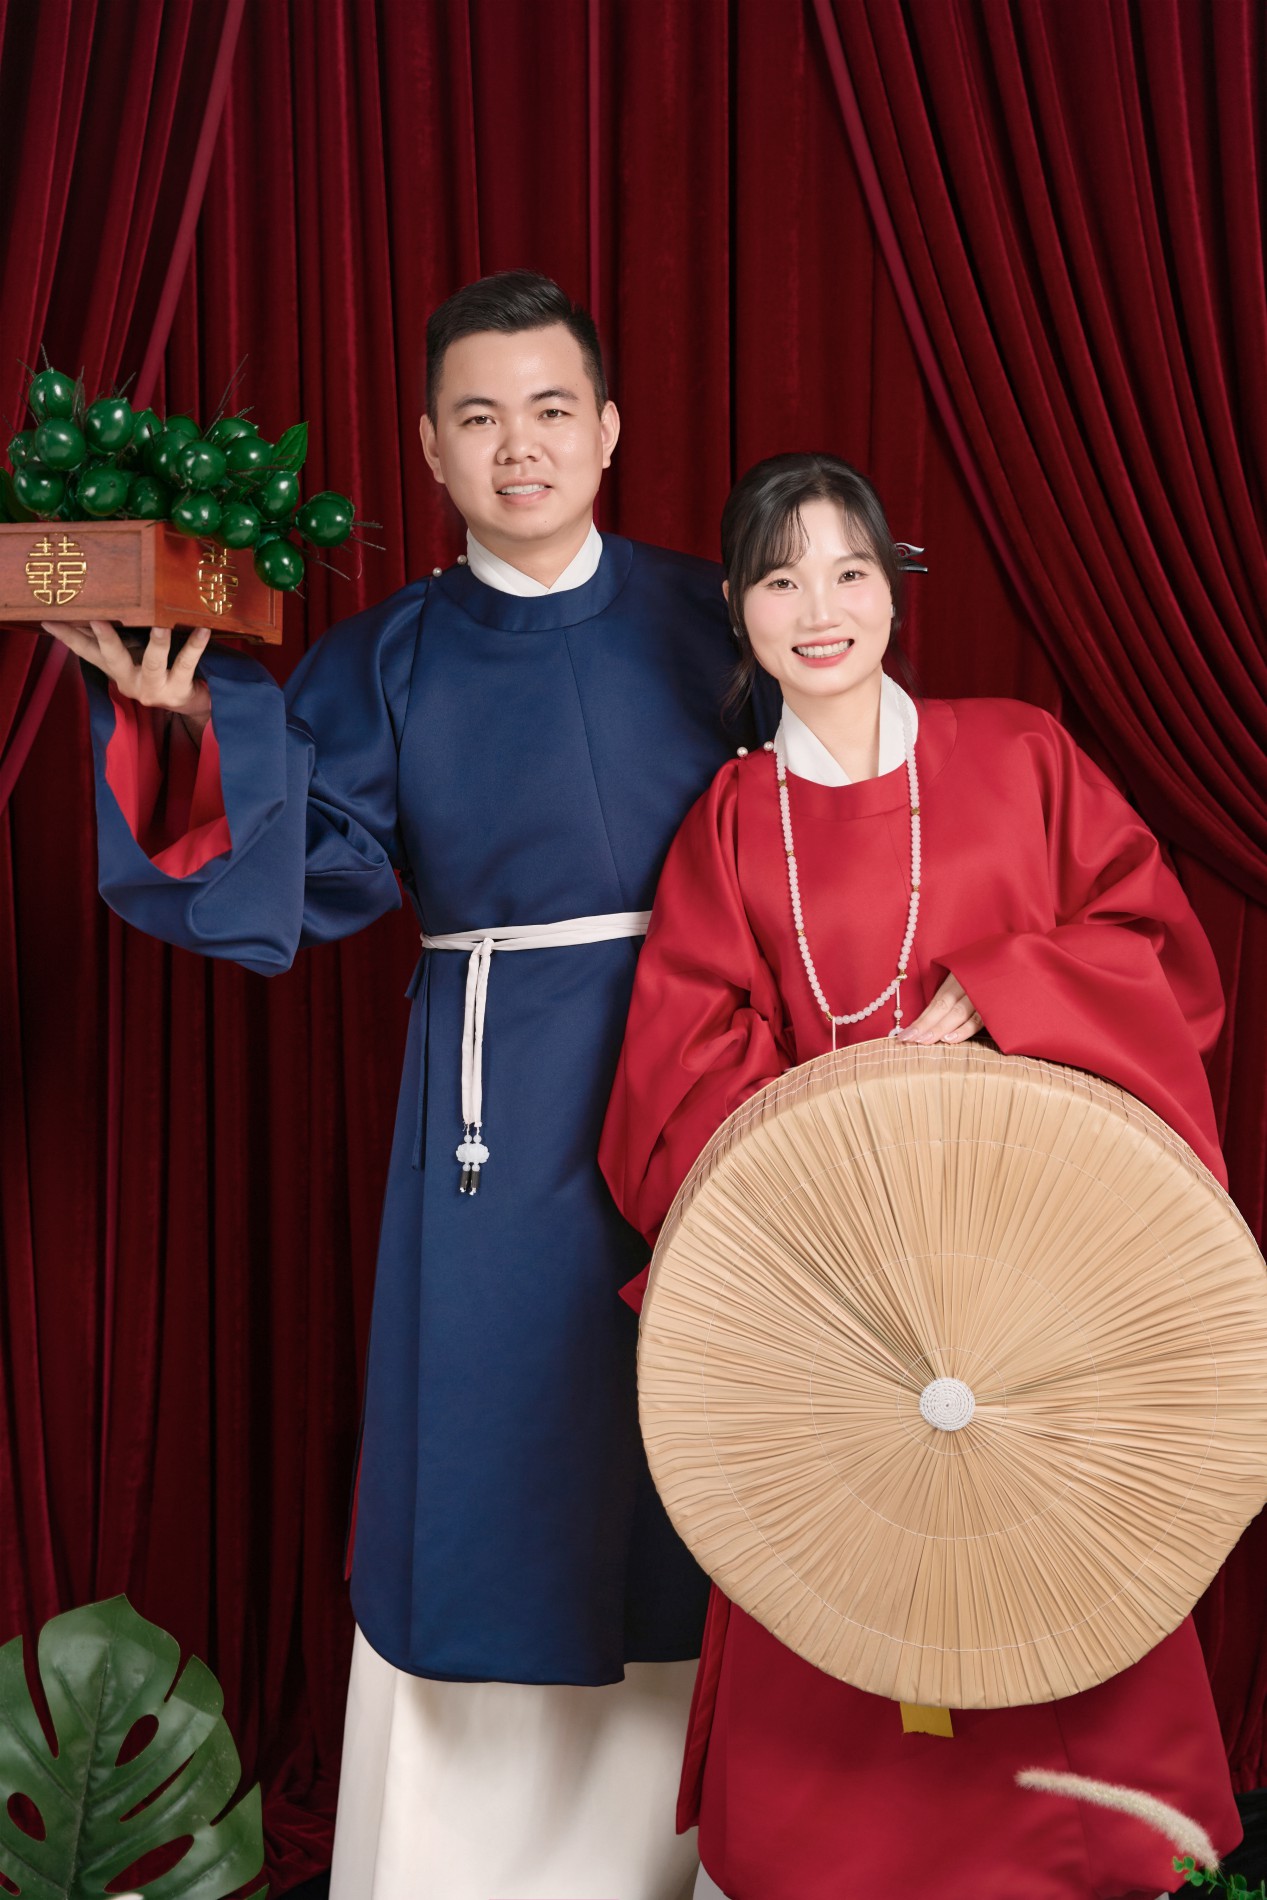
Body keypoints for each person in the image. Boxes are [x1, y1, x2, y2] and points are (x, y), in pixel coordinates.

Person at [42, 271, 773, 1900]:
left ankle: (719, 1854)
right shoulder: (387, 659)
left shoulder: (720, 614)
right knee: (509, 1444)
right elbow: (299, 870)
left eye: (551, 410)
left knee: (711, 1444)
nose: (521, 448)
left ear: (609, 429)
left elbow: (841, 809)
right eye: (479, 416)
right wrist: (187, 725)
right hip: (497, 1114)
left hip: (719, 1093)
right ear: (431, 448)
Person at [599, 452, 1242, 1900]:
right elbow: (674, 1067)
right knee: (843, 1571)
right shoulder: (733, 818)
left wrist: (1009, 986)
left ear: (894, 586)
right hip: (836, 1288)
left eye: (849, 572)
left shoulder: (1019, 754)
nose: (820, 611)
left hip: (1034, 1267)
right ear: (737, 608)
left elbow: (1153, 948)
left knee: (1051, 1565)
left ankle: (1082, 1854)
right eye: (780, 581)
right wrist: (827, 1158)